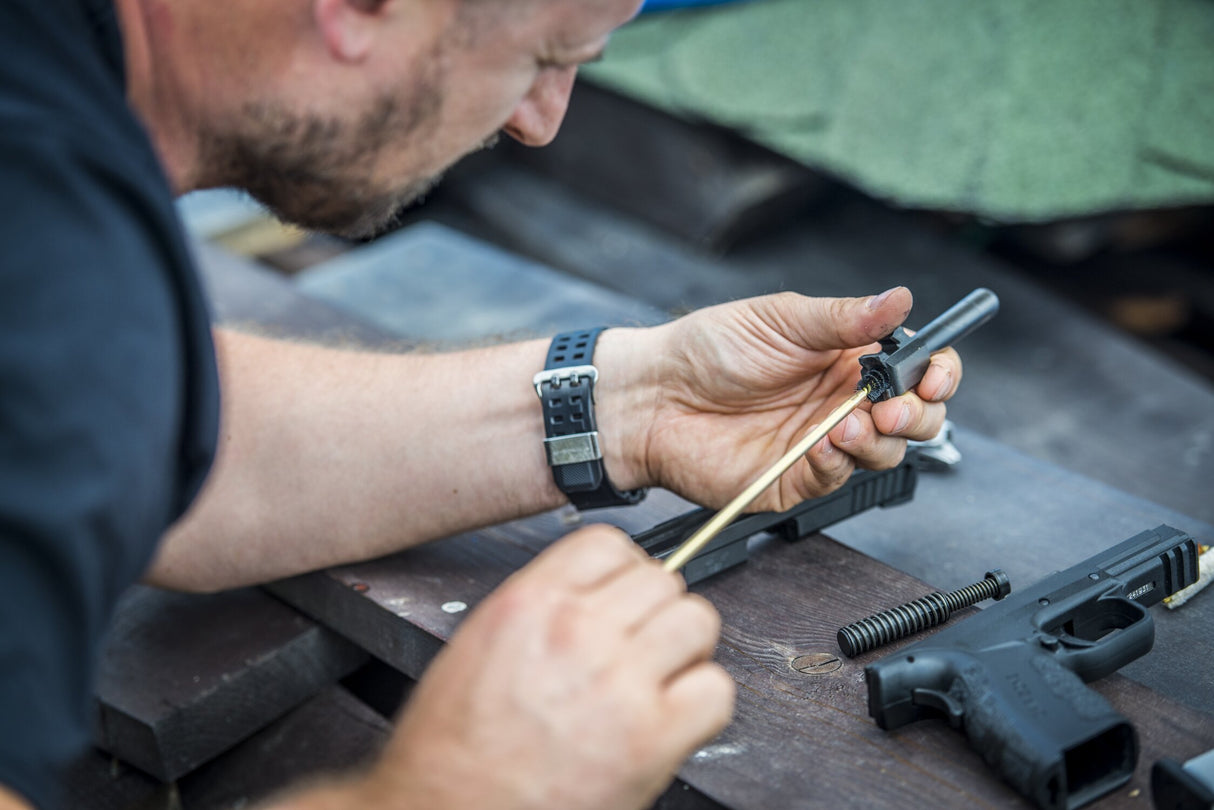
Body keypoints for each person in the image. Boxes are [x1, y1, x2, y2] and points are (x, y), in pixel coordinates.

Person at [0, 0, 964, 808]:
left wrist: (633, 402)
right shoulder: (45, 244)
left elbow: (160, 435)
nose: (540, 120)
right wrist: (456, 787)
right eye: (545, 56)